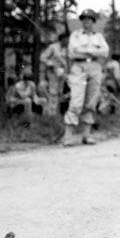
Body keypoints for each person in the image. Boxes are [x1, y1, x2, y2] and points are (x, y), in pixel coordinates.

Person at [64, 9, 109, 146]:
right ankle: (68, 136)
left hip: (95, 67)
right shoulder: (76, 35)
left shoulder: (98, 37)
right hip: (79, 67)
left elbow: (105, 51)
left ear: (93, 21)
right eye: (84, 19)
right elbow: (73, 52)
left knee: (91, 102)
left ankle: (86, 135)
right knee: (76, 101)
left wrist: (85, 51)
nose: (86, 21)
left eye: (89, 19)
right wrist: (92, 52)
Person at [39, 31, 69, 116]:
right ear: (62, 39)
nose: (68, 41)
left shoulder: (66, 49)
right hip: (53, 72)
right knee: (53, 92)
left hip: (62, 72)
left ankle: (56, 111)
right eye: (66, 39)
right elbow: (42, 57)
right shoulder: (53, 47)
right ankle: (51, 112)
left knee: (60, 92)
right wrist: (51, 64)